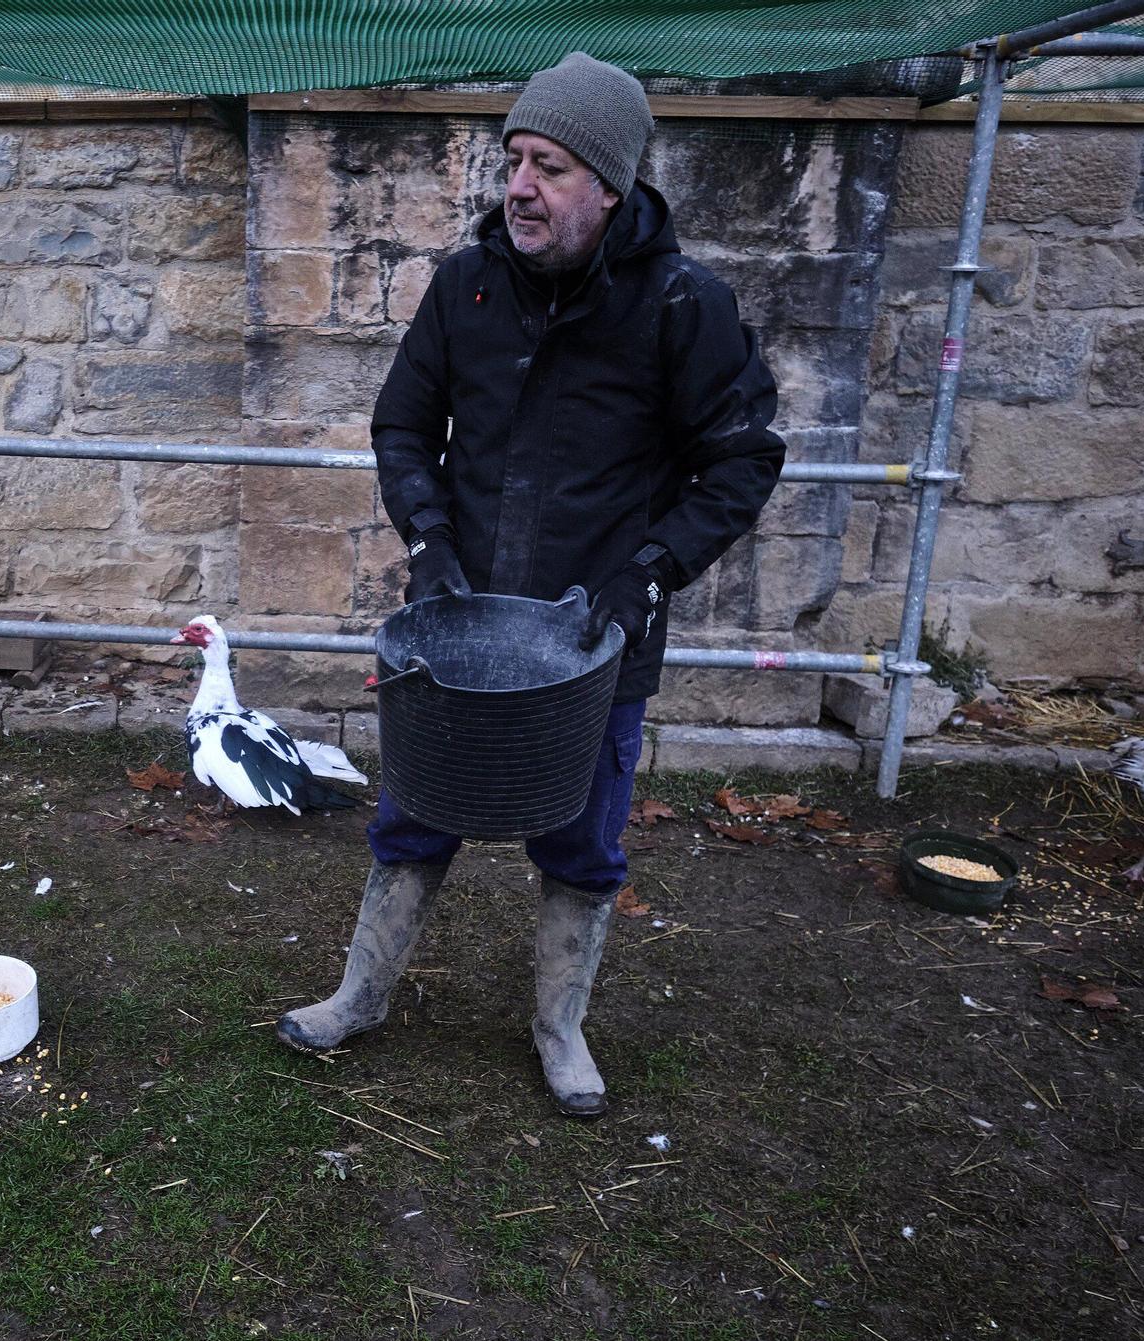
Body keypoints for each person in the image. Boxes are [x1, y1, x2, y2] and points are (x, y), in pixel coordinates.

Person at [276, 52, 787, 1117]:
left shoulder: (682, 305)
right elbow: (402, 424)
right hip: (455, 625)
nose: (517, 185)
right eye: (513, 160)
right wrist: (427, 540)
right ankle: (359, 996)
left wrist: (645, 575)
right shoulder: (465, 288)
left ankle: (559, 1027)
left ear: (607, 185)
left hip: (590, 636)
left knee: (580, 836)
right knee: (414, 816)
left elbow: (740, 458)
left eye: (547, 166)